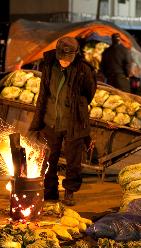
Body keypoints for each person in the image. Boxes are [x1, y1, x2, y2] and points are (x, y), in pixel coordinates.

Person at [29, 36, 97, 206]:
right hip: (50, 120)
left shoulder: (84, 69)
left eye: (68, 59)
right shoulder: (48, 65)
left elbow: (89, 93)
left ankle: (69, 191)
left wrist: (76, 105)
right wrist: (37, 122)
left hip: (74, 122)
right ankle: (50, 190)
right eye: (62, 58)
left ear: (75, 54)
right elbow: (43, 93)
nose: (65, 62)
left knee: (73, 160)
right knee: (48, 158)